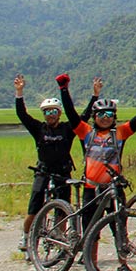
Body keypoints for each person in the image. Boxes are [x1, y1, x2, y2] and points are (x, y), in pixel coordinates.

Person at [64, 77, 136, 271]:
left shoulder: (121, 133)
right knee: (91, 230)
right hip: (91, 188)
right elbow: (71, 114)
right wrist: (64, 89)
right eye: (101, 114)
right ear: (94, 117)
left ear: (114, 116)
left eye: (109, 114)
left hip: (114, 188)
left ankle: (122, 266)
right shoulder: (85, 132)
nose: (105, 118)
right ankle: (92, 267)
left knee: (119, 228)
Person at [14, 73, 95, 254]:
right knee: (34, 206)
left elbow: (83, 118)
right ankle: (26, 236)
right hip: (42, 171)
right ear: (43, 114)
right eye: (46, 112)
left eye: (53, 111)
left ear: (59, 113)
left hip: (63, 172)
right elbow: (22, 114)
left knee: (63, 207)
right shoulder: (38, 128)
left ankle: (59, 235)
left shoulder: (67, 128)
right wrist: (19, 92)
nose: (50, 115)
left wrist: (94, 96)